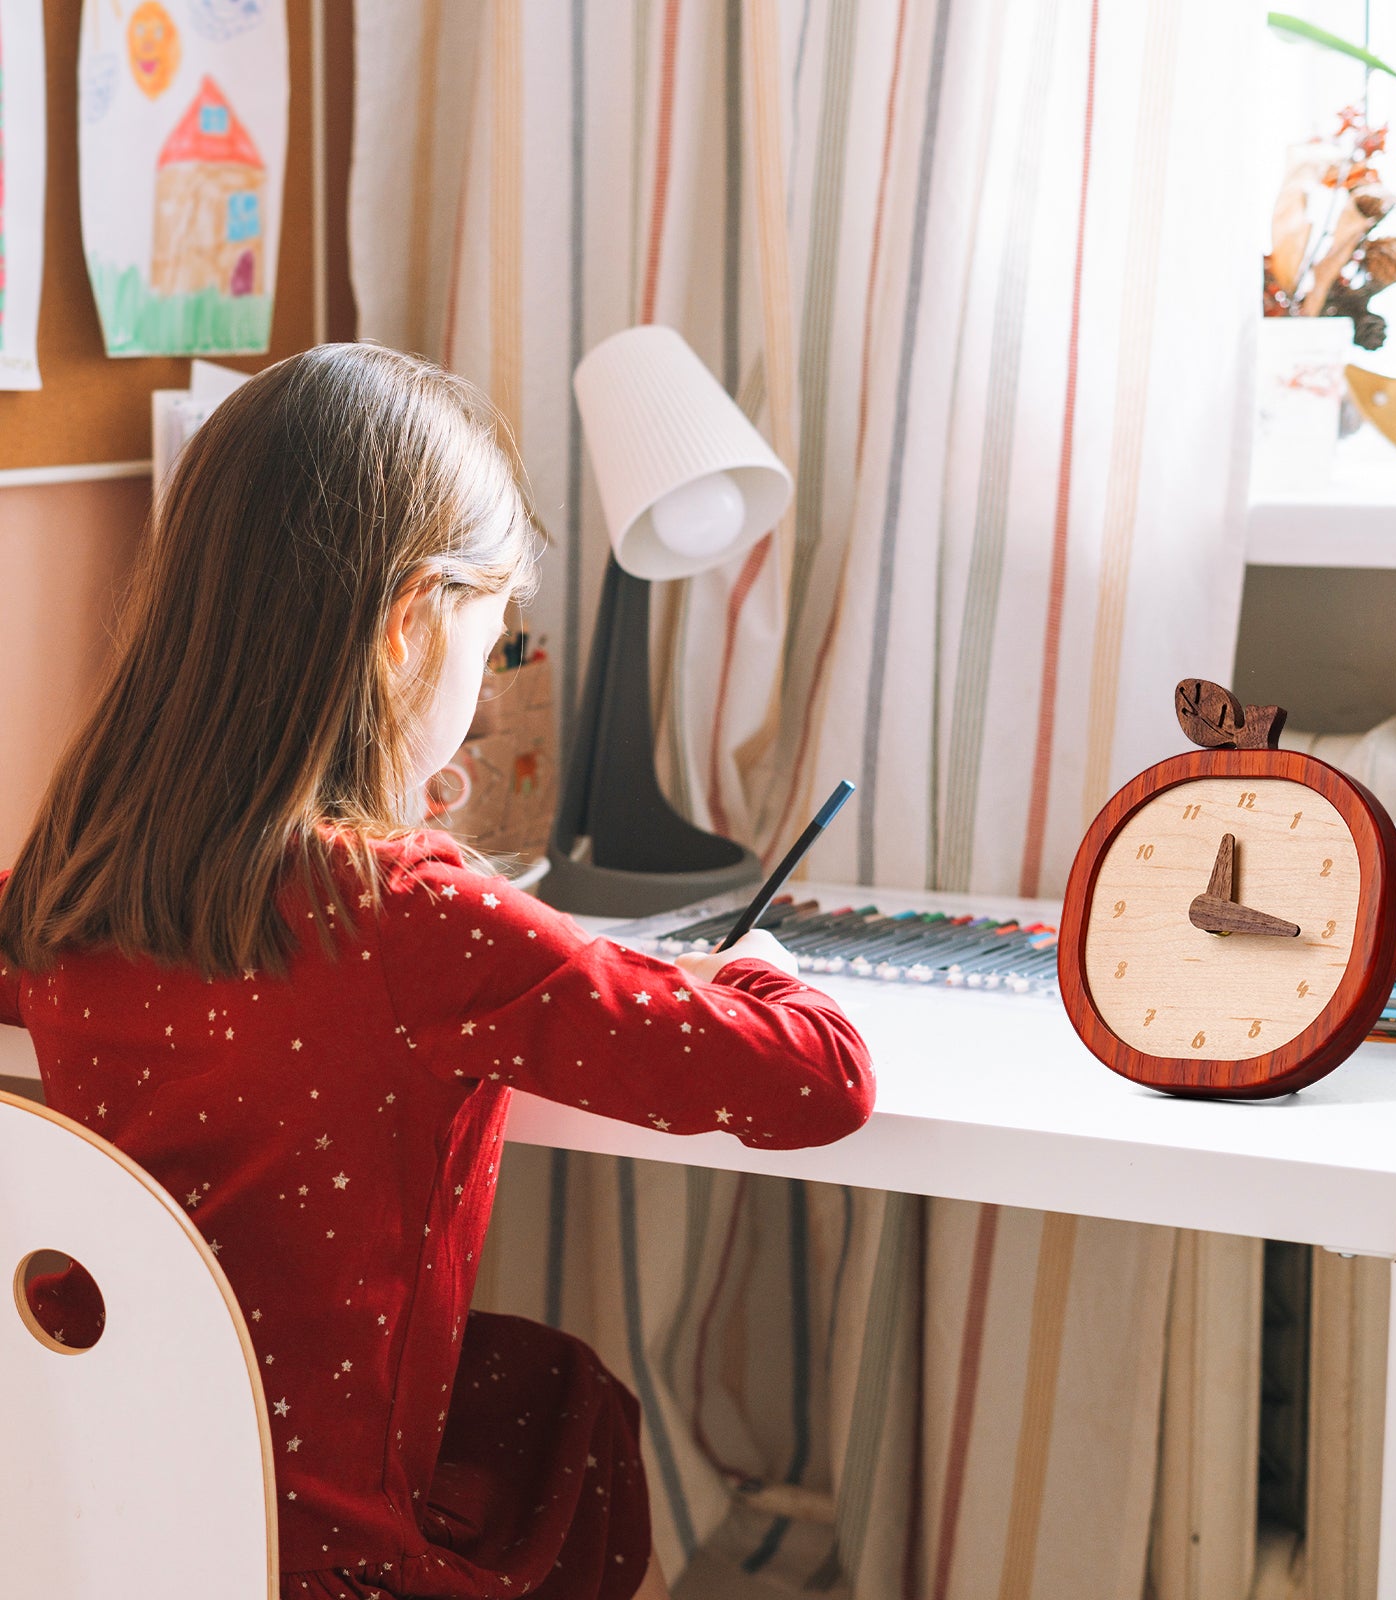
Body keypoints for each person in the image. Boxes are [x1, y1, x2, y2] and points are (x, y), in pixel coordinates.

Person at [0, 345, 874, 1600]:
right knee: (572, 1419)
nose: (487, 669)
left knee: (528, 1382)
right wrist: (770, 973)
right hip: (331, 1557)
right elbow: (818, 1082)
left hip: (110, 1519)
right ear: (411, 625)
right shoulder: (405, 914)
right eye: (495, 630)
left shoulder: (73, 880)